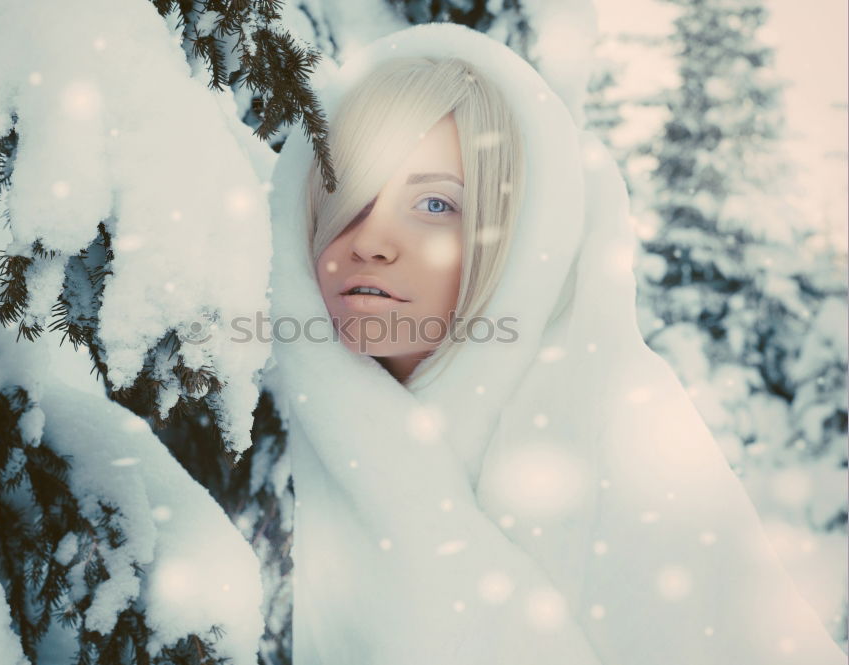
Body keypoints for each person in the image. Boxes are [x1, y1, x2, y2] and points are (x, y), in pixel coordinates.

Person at [264, 22, 846, 665]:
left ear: (511, 236)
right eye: (348, 196)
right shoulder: (302, 422)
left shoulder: (621, 428)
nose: (369, 239)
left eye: (435, 204)